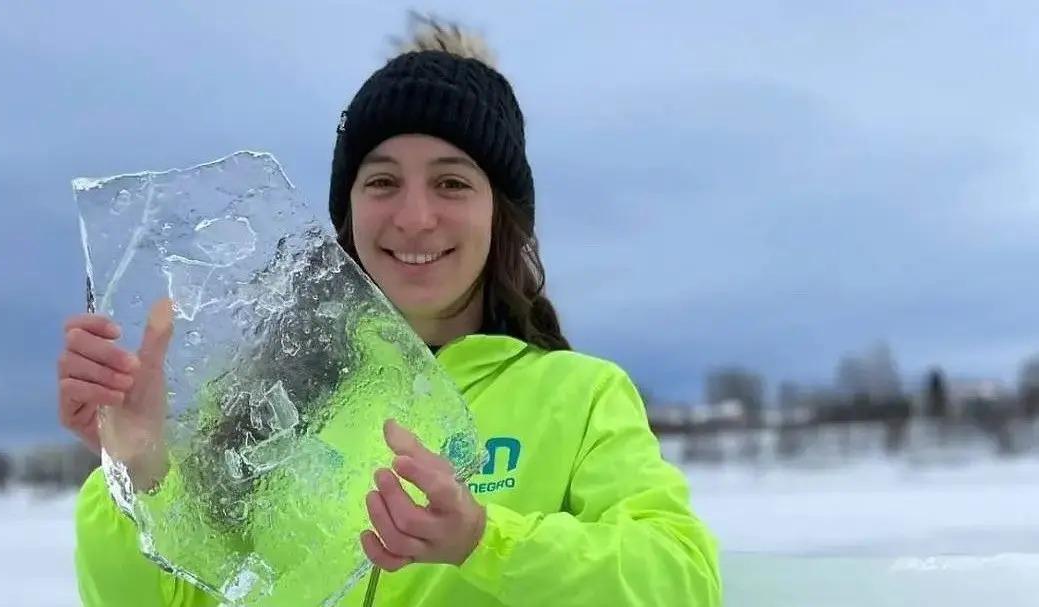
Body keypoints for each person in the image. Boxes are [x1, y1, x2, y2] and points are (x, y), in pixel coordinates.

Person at [58, 13, 722, 607]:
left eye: (451, 182)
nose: (413, 217)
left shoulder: (579, 398)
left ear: (502, 216)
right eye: (381, 181)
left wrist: (483, 539)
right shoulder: (264, 406)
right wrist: (138, 471)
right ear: (345, 214)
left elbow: (682, 579)